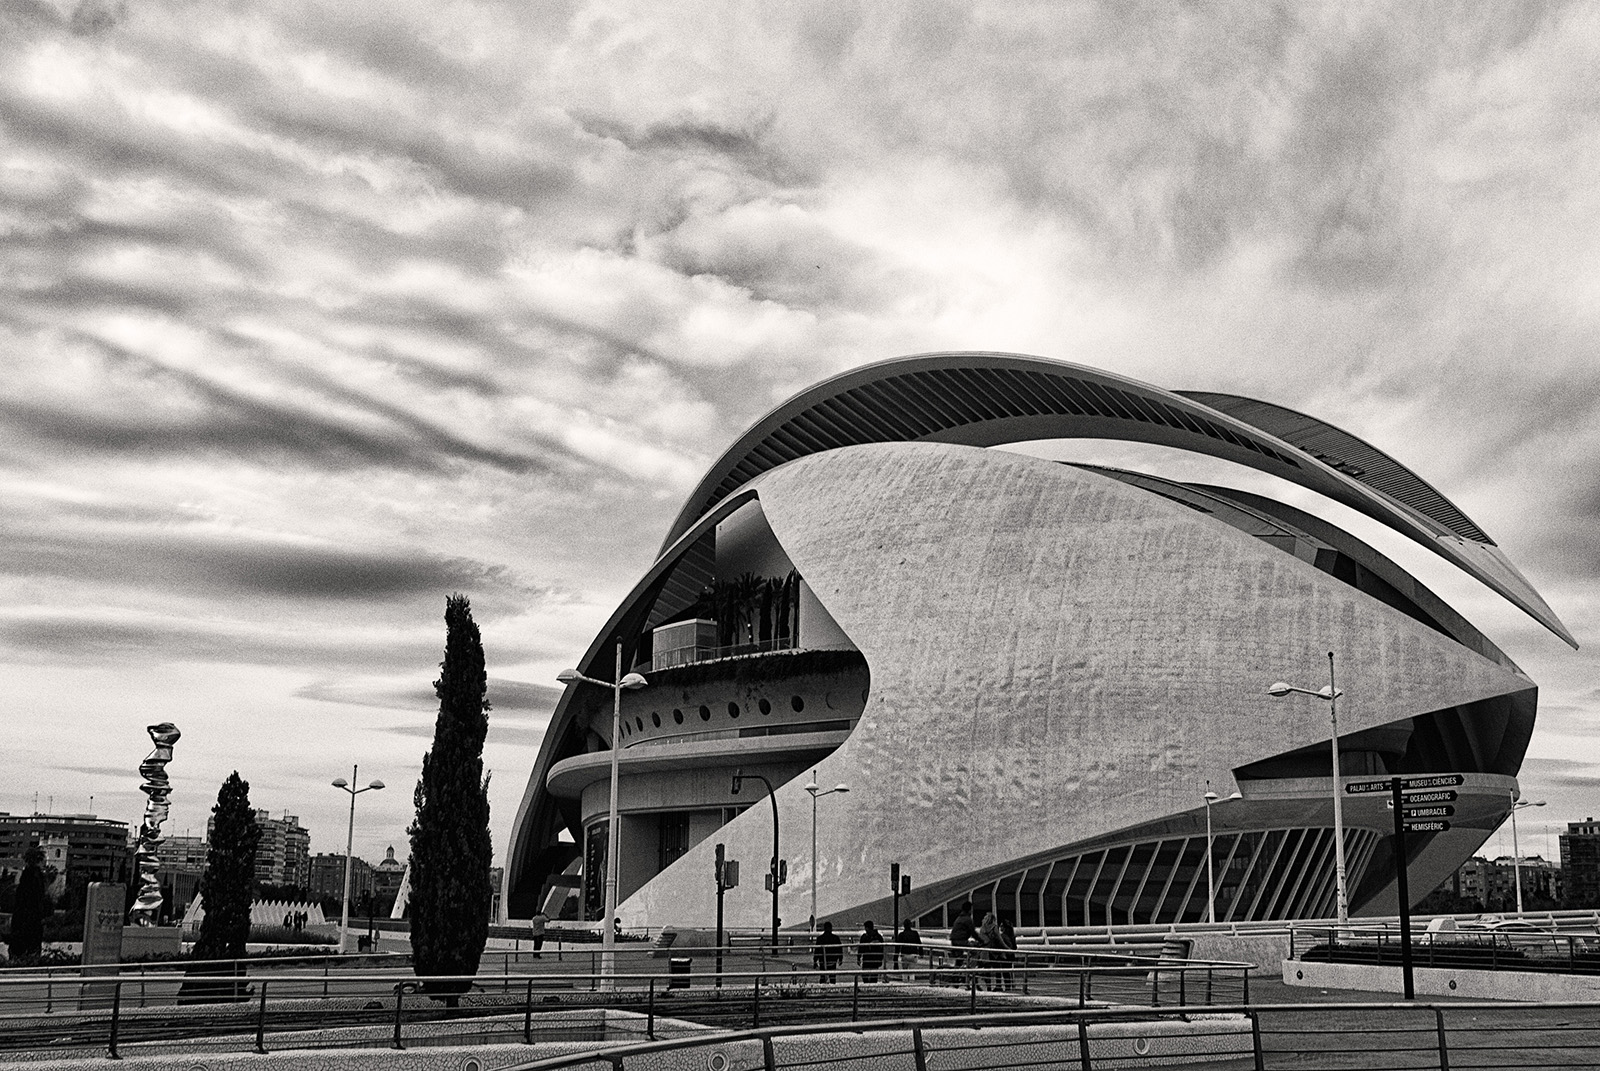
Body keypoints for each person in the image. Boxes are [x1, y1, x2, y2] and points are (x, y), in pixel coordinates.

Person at [948, 902, 979, 970]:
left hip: (954, 941)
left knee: (959, 959)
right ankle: (971, 970)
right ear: (969, 910)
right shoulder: (967, 919)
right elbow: (973, 932)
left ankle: (956, 972)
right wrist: (981, 940)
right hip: (961, 941)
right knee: (975, 952)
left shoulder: (959, 918)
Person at [996, 915, 1018, 991]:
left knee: (1003, 972)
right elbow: (1015, 947)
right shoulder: (1012, 935)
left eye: (1001, 926)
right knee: (1008, 973)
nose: (1000, 927)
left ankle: (1004, 987)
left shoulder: (1002, 936)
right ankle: (1009, 987)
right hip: (1011, 956)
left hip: (1004, 956)